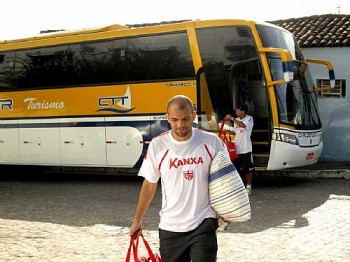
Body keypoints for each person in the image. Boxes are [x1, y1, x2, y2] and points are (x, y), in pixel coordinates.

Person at [129, 95, 229, 262]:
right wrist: (137, 221)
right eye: (175, 120)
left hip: (203, 222)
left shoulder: (212, 142)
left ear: (194, 116)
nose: (180, 125)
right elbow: (149, 185)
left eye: (185, 119)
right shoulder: (157, 145)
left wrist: (227, 213)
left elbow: (226, 179)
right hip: (171, 227)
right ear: (167, 118)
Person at [224, 103, 254, 195]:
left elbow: (243, 126)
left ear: (242, 111)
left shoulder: (249, 118)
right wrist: (228, 131)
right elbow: (236, 132)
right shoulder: (236, 120)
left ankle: (248, 187)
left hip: (246, 149)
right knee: (235, 169)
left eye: (237, 110)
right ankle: (238, 187)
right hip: (236, 149)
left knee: (247, 169)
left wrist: (232, 119)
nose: (236, 112)